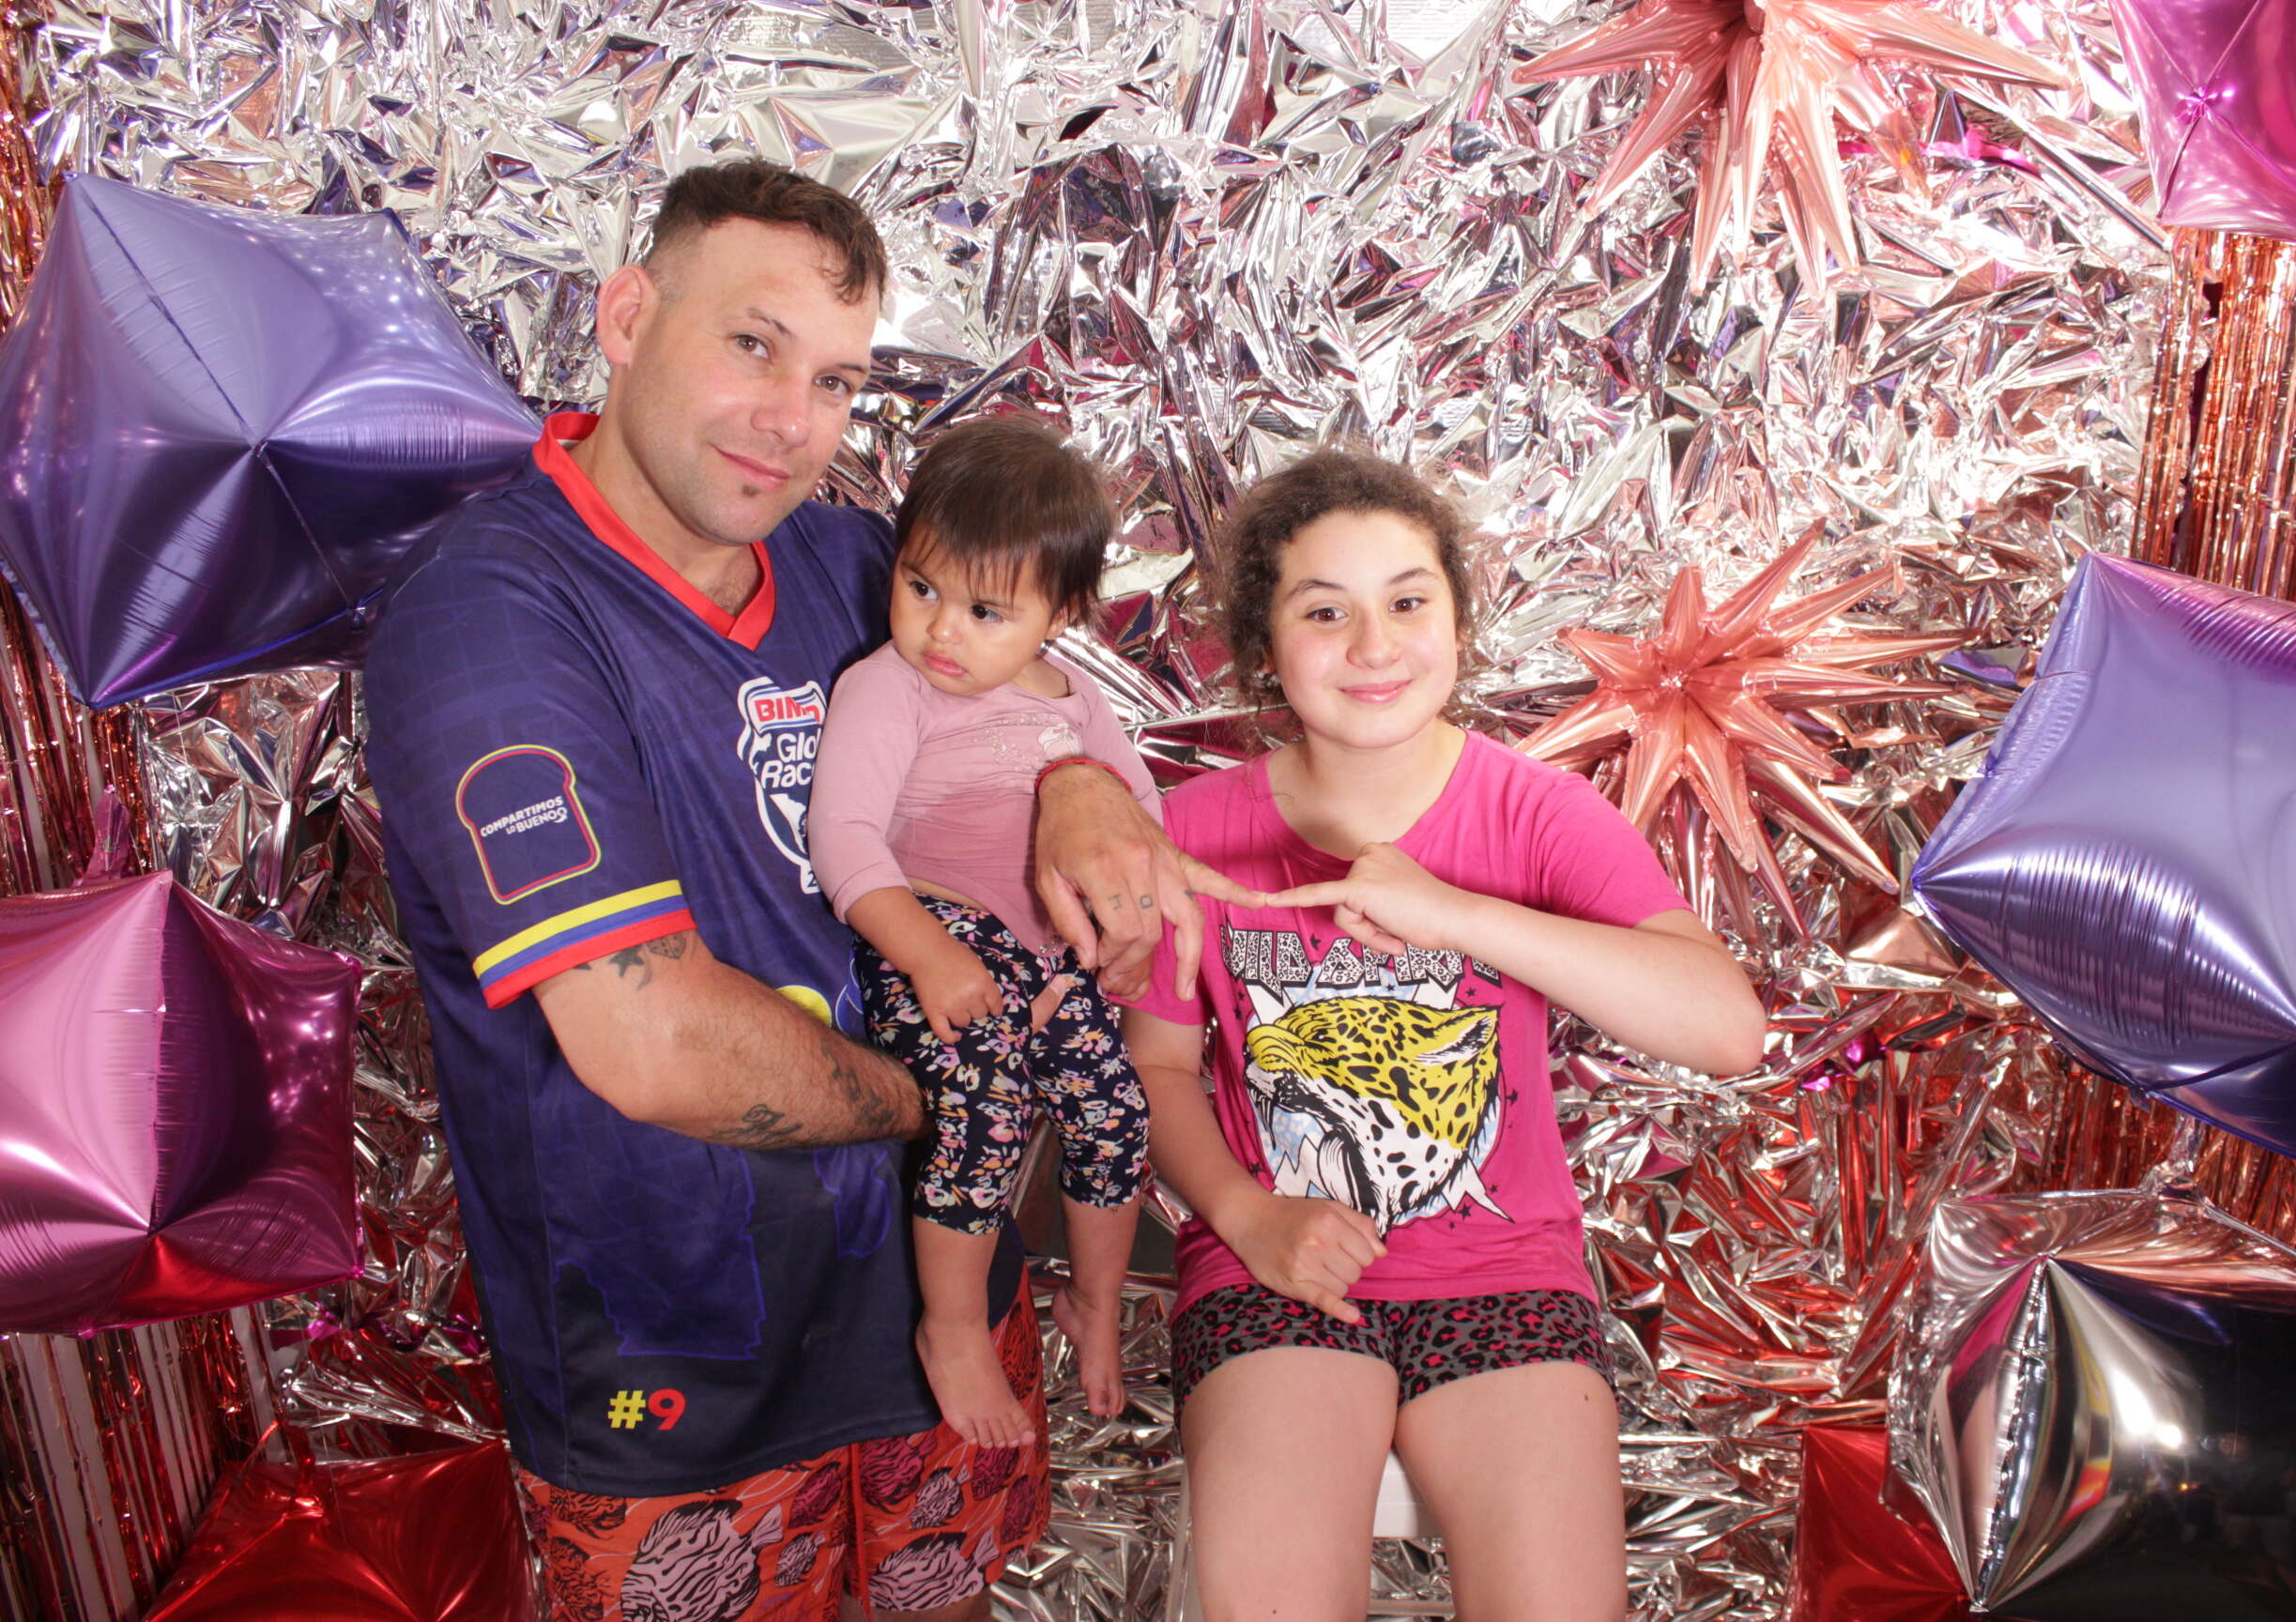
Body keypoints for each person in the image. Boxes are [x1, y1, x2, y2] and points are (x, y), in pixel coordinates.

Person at [364, 158, 1246, 1622]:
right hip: (676, 1367)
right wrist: (963, 1093)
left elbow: (1023, 689)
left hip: (931, 1306)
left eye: (834, 380)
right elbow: (650, 1042)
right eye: (752, 344)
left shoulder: (857, 564)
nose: (792, 419)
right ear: (627, 318)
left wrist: (1080, 785)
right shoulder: (488, 616)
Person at [1122, 451, 1768, 1621]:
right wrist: (1246, 1215)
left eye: (1409, 601)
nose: (1375, 646)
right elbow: (1159, 1068)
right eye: (1326, 612)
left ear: (1459, 626)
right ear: (1266, 647)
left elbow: (1727, 1029)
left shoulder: (1541, 813)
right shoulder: (1190, 829)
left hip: (1503, 1272)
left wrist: (1459, 915)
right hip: (1274, 1268)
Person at [805, 417, 1155, 1450]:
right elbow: (845, 838)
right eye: (921, 587)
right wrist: (927, 955)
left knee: (1116, 1114)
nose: (941, 633)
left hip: (1048, 956)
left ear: (1061, 614)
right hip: (937, 932)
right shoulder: (886, 688)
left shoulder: (1075, 700)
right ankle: (953, 1328)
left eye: (986, 611)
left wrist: (1118, 940)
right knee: (985, 1102)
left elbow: (1138, 822)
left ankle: (1094, 1300)